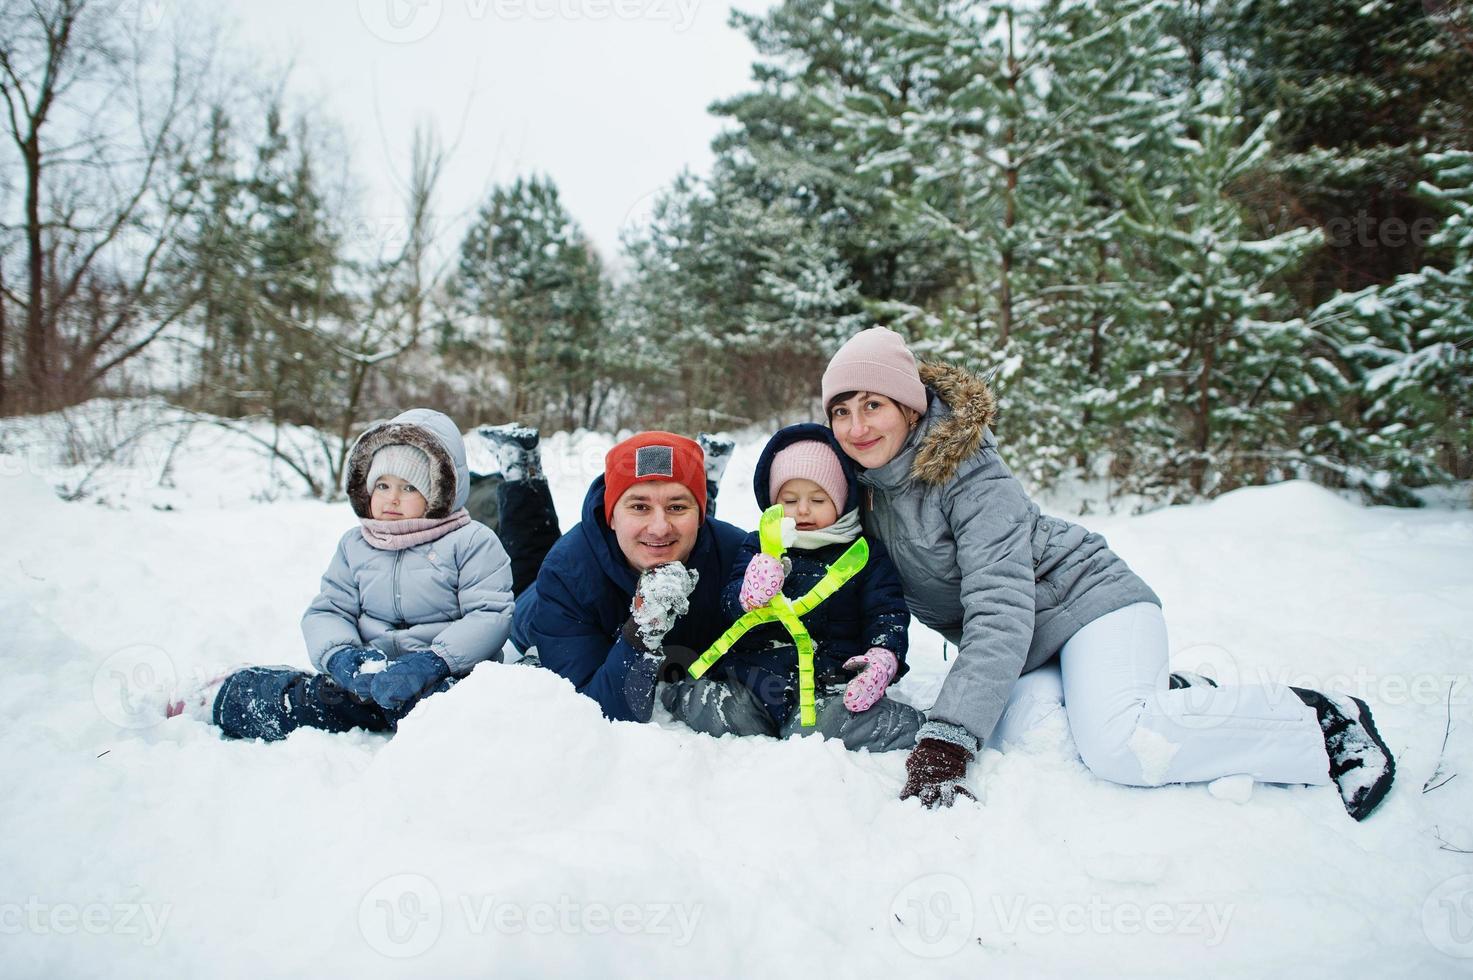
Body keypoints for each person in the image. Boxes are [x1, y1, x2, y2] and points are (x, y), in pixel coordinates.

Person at [820, 326, 1396, 819]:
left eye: (873, 405)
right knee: (1029, 733)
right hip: (1032, 646)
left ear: (909, 407)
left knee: (1119, 747)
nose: (857, 426)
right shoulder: (869, 492)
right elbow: (823, 557)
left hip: (1094, 604)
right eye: (841, 411)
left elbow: (1000, 609)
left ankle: (1317, 721)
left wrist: (946, 743)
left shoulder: (969, 474)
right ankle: (1166, 695)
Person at [172, 409, 516, 741]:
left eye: (409, 488)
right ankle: (229, 693)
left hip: (443, 678)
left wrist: (435, 661)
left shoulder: (471, 542)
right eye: (382, 485)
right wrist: (342, 656)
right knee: (304, 703)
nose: (392, 498)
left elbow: (490, 614)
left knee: (448, 716)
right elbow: (330, 610)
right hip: (370, 680)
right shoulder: (356, 544)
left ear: (441, 491)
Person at [661, 423, 922, 751]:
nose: (802, 510)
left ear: (841, 500)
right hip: (755, 680)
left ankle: (911, 725)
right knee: (728, 713)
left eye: (817, 499)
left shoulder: (864, 554)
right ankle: (683, 693)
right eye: (789, 499)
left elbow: (887, 614)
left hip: (827, 685)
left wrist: (883, 656)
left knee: (819, 729)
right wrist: (746, 595)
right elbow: (726, 607)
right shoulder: (759, 546)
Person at [508, 431, 748, 722]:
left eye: (677, 506)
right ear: (611, 515)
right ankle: (523, 474)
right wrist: (642, 631)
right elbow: (593, 711)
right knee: (528, 564)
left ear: (701, 515)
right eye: (639, 507)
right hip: (535, 604)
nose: (659, 526)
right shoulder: (566, 574)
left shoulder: (738, 553)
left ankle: (699, 483)